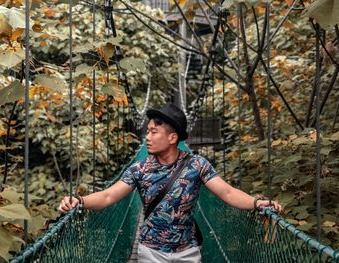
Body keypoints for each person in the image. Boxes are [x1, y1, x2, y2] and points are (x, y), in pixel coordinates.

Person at [58, 102, 282, 263]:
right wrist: (78, 200)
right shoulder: (140, 168)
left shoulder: (197, 165)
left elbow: (227, 193)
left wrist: (257, 203)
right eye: (148, 131)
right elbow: (108, 196)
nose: (148, 137)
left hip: (188, 251)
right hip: (150, 252)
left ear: (172, 138)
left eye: (154, 132)